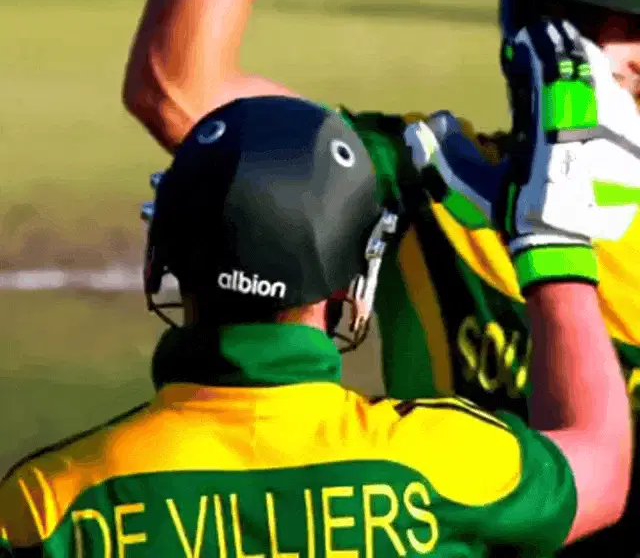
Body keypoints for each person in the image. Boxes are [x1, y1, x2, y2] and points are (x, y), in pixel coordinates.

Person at [0, 83, 634, 555]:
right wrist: (552, 246)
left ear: (161, 256)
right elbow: (603, 468)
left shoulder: (48, 503)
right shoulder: (448, 460)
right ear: (353, 277)